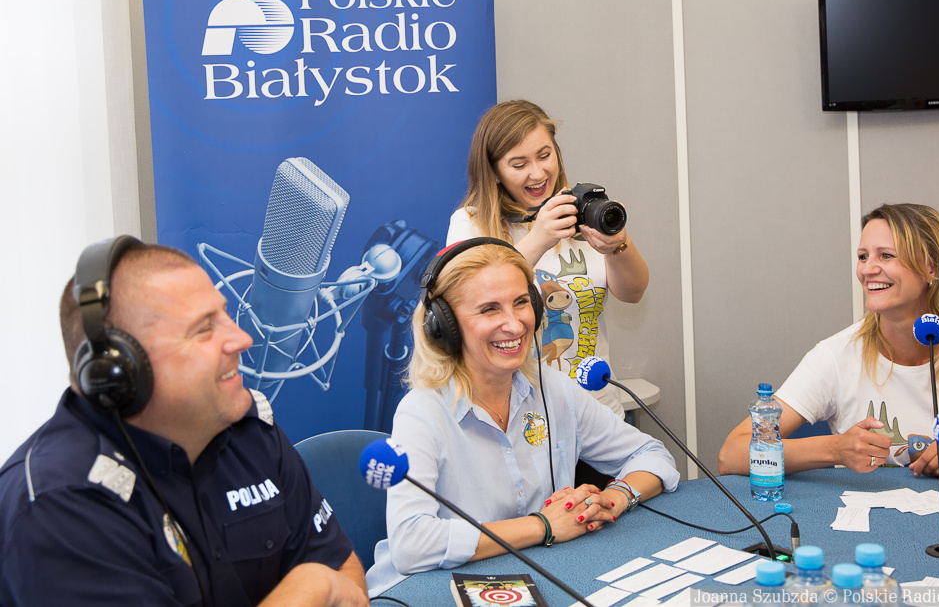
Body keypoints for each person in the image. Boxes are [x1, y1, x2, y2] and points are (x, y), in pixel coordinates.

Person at [0, 236, 369, 607]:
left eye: (225, 315)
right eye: (204, 328)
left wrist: (324, 582)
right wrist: (312, 586)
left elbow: (344, 572)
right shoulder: (60, 505)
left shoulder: (249, 432)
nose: (242, 339)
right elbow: (328, 583)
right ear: (120, 371)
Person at [365, 239, 678, 596]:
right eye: (489, 309)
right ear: (445, 325)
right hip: (428, 589)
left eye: (520, 303)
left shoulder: (553, 389)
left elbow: (652, 455)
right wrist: (543, 526)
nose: (514, 325)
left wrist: (616, 497)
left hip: (532, 575)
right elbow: (411, 545)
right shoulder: (422, 413)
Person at [719, 203, 939, 477]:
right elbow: (732, 454)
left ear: (931, 267)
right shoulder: (836, 354)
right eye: (863, 256)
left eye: (886, 256)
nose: (867, 269)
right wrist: (836, 449)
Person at [447, 99, 650, 418]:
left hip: (597, 413)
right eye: (519, 164)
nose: (538, 173)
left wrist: (617, 245)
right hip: (517, 420)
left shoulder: (579, 215)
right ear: (495, 172)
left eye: (545, 156)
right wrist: (539, 238)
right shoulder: (470, 223)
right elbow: (473, 297)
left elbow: (634, 292)